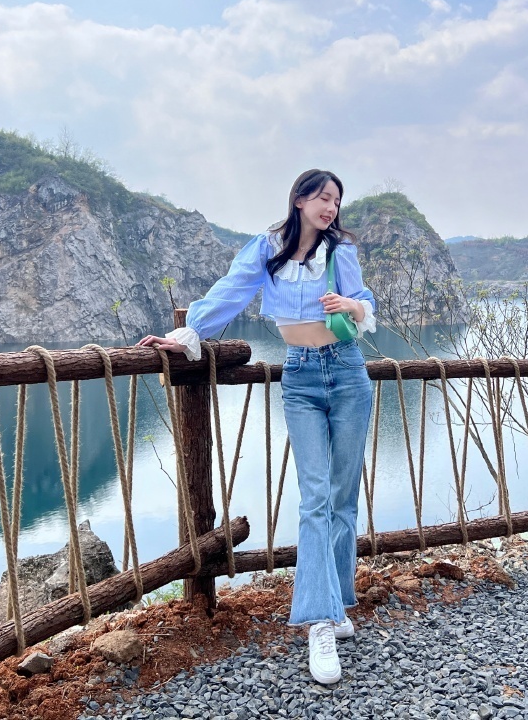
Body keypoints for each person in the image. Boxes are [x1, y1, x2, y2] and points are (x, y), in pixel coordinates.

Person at [138, 169, 375, 684]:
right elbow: (232, 290)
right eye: (322, 197)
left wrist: (351, 305)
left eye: (336, 200)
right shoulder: (268, 248)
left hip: (349, 373)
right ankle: (319, 621)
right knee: (315, 497)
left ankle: (335, 604)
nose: (330, 207)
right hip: (301, 377)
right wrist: (188, 333)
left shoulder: (340, 251)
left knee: (343, 497)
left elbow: (365, 304)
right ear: (299, 199)